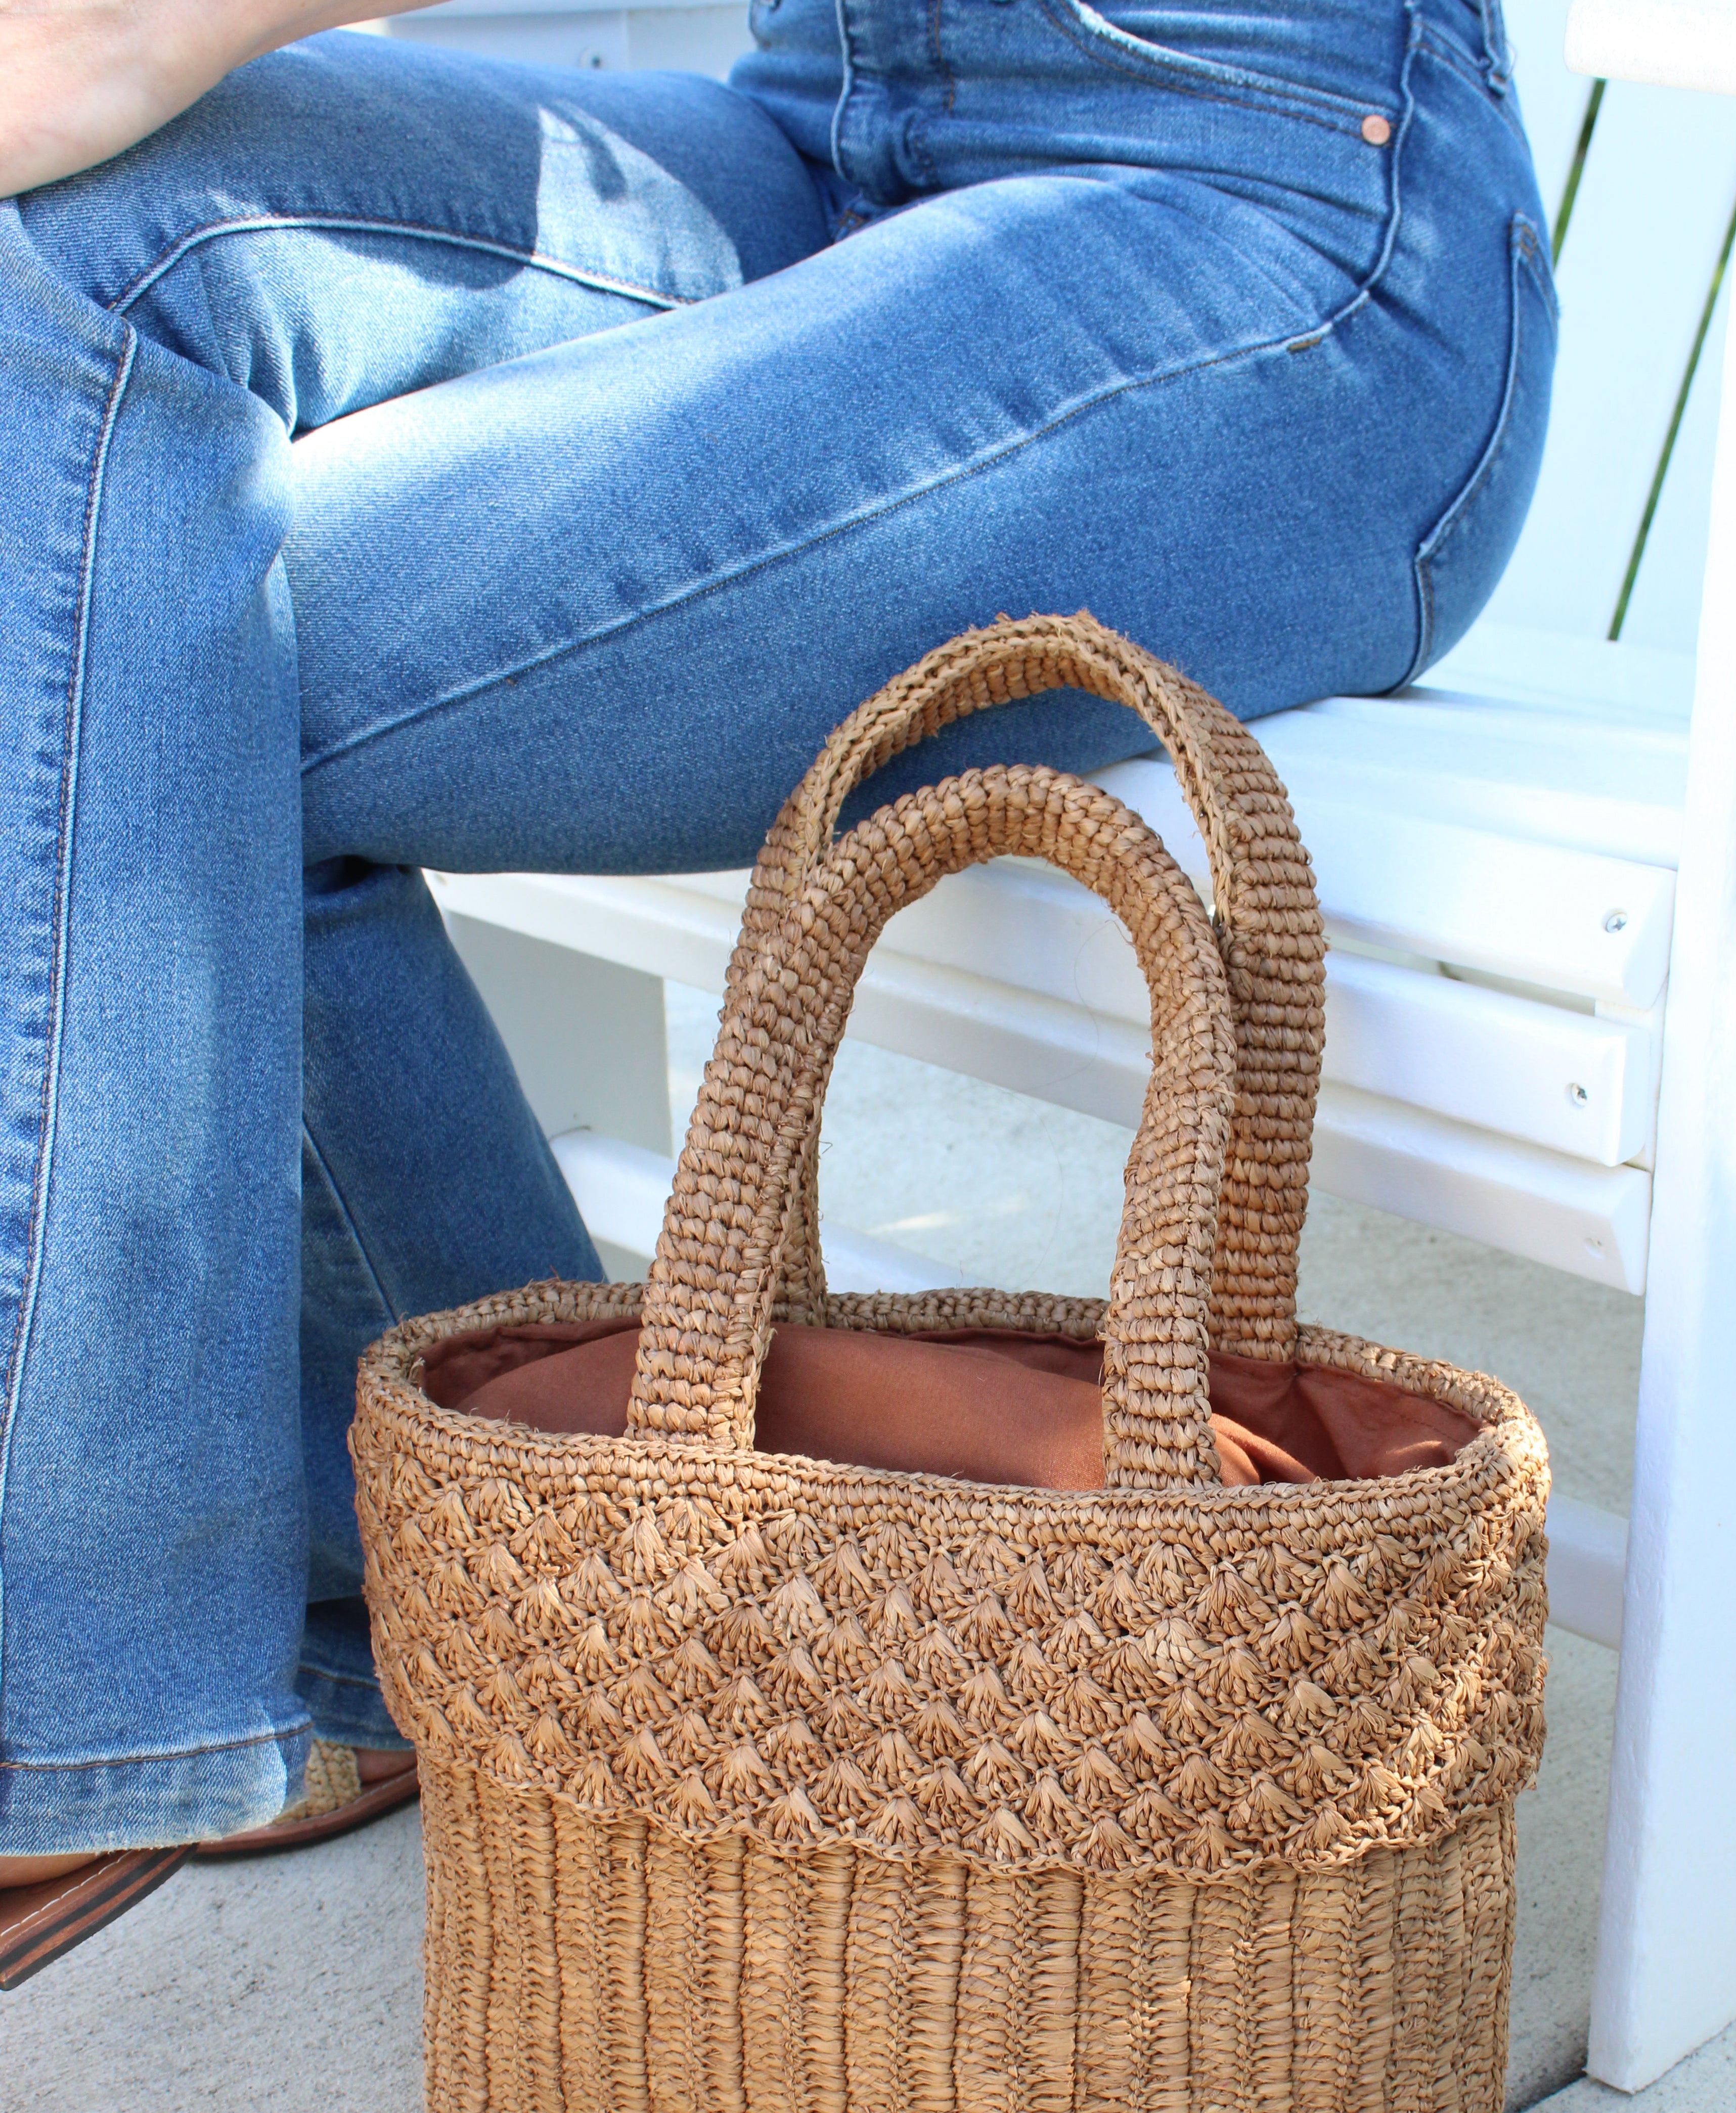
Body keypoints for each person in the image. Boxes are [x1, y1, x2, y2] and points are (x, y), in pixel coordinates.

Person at [0, 0, 1554, 1971]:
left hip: (1268, 237)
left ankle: (216, 1644)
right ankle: (437, 1597)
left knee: (121, 636)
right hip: (829, 148)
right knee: (64, 301)